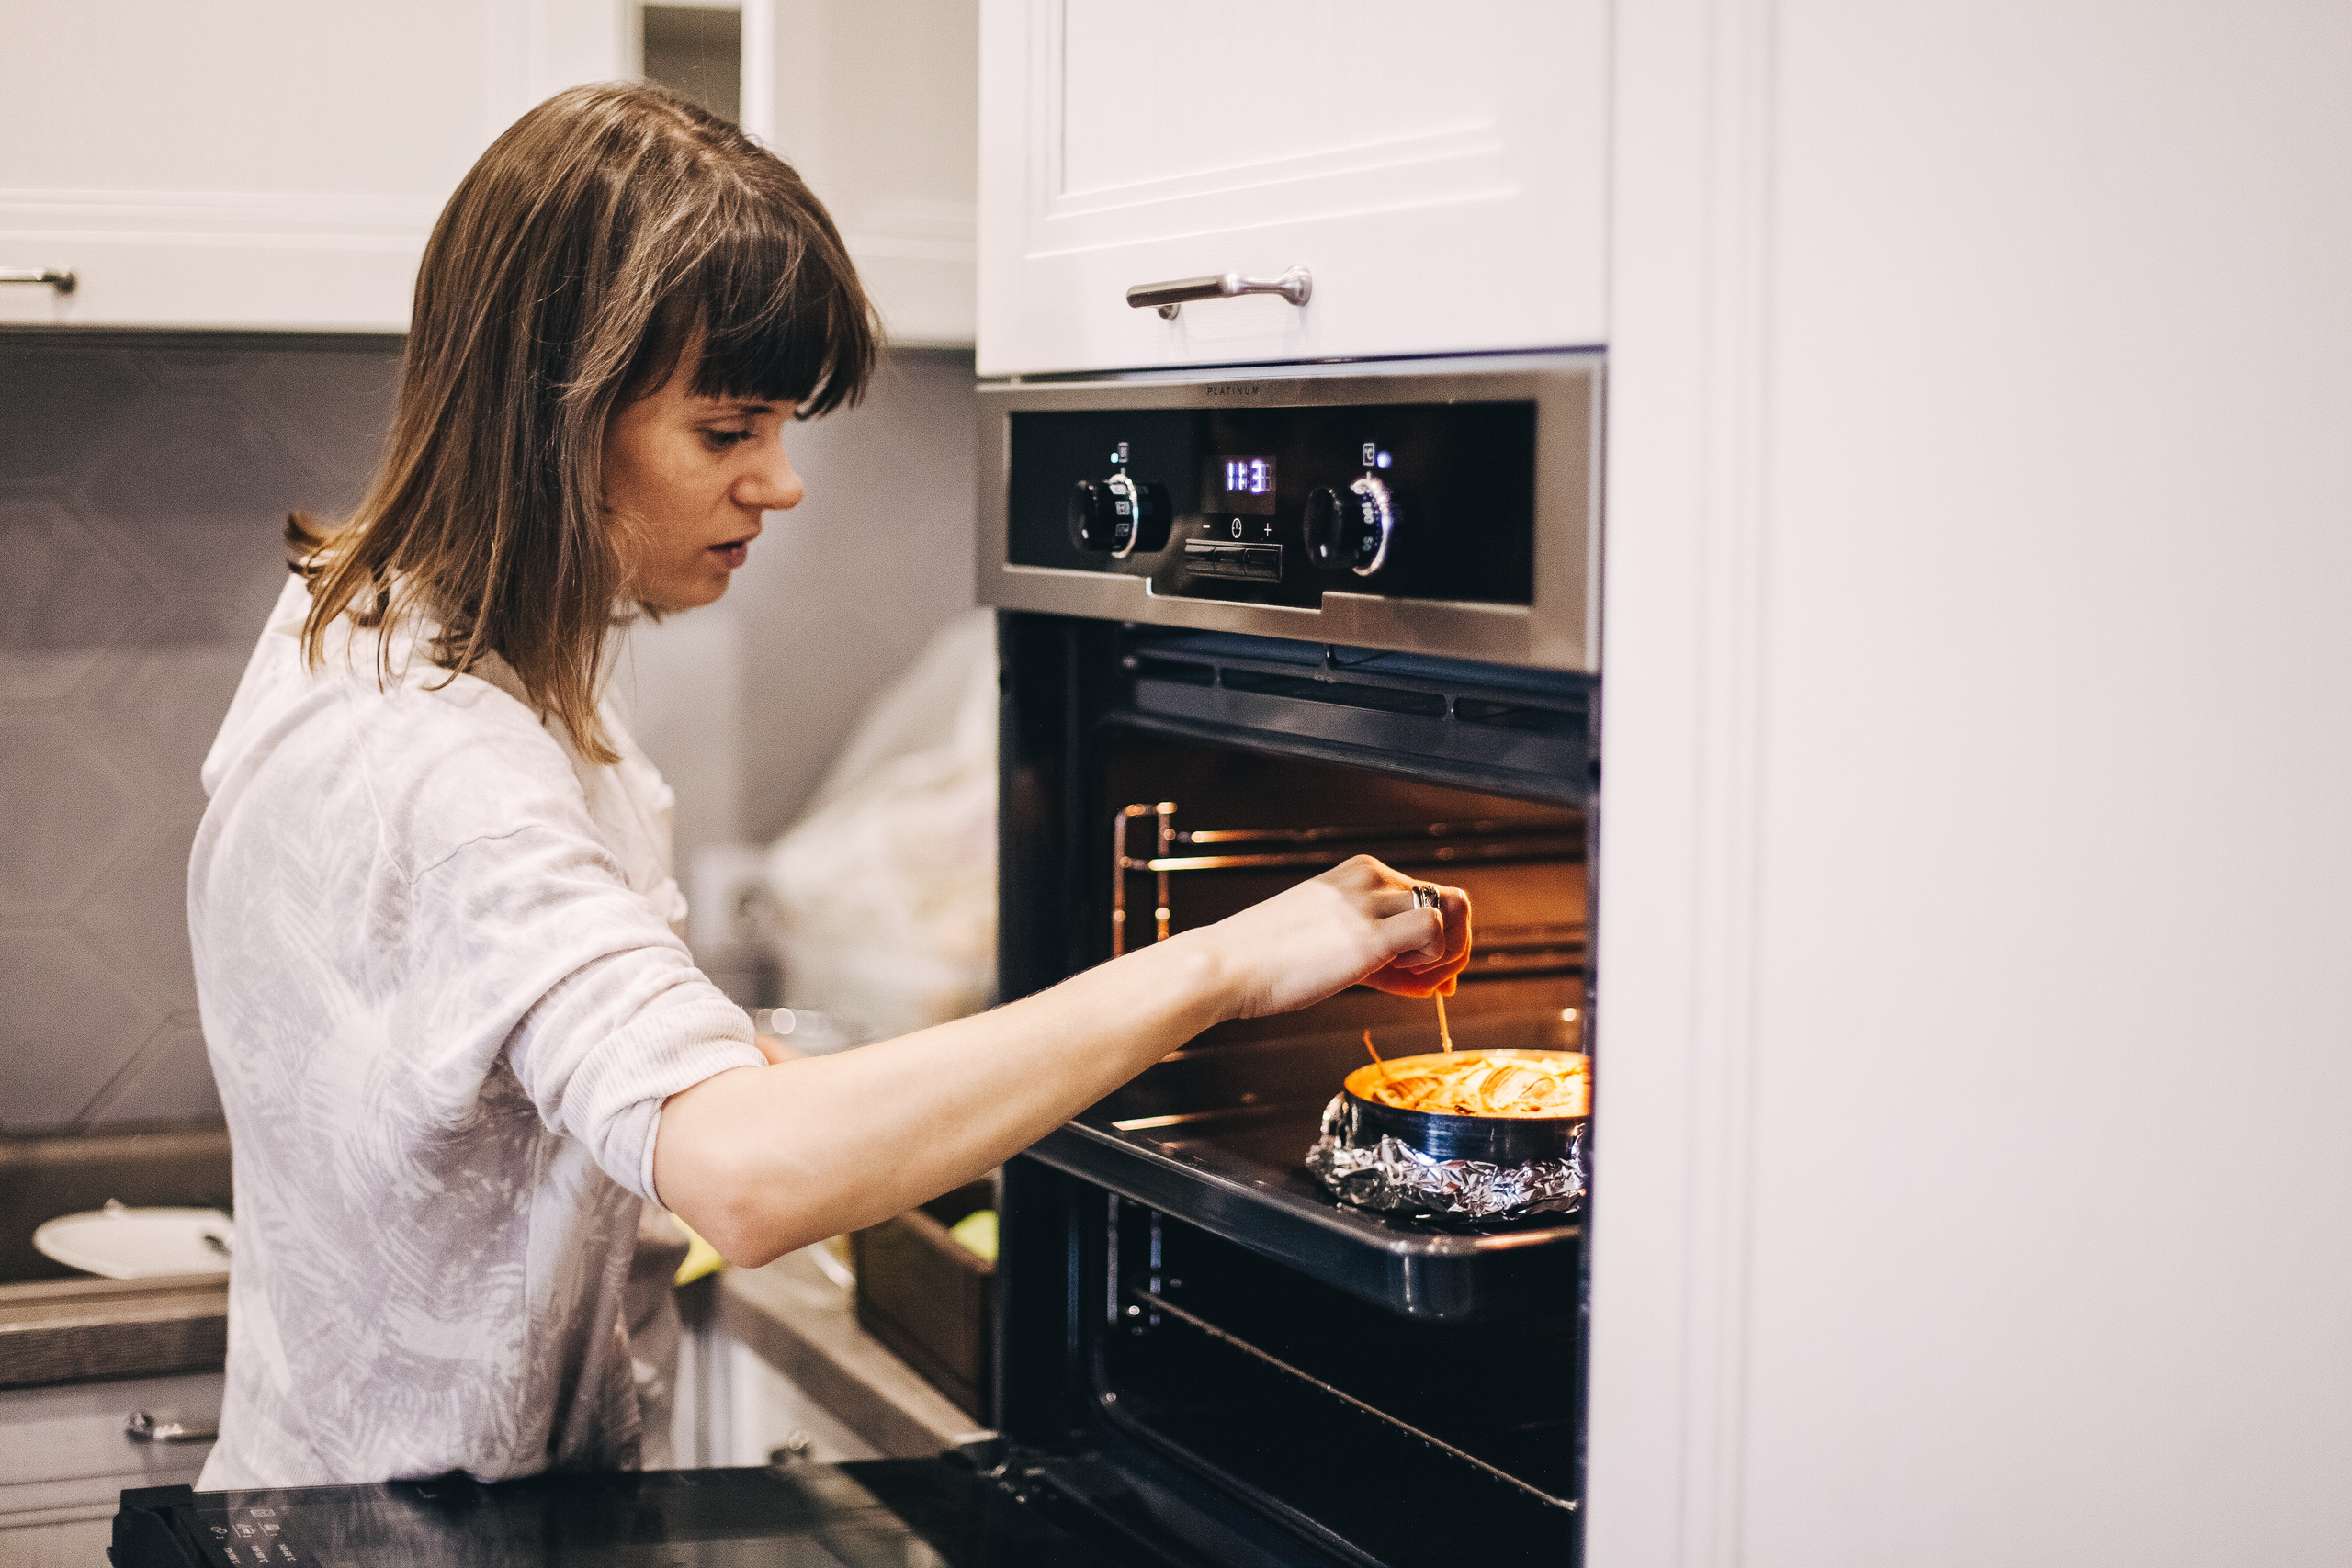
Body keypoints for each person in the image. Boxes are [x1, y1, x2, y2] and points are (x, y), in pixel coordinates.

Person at [187, 82, 1472, 1489]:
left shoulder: (377, 628)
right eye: (728, 432)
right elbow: (745, 1177)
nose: (781, 484)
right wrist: (1221, 962)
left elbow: (607, 1071)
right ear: (550, 417)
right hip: (402, 1534)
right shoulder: (439, 762)